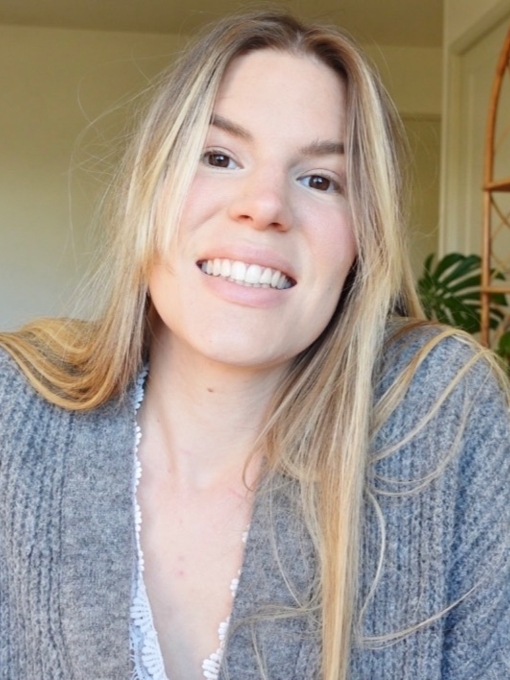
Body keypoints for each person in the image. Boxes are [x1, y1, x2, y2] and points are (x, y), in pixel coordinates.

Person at [0, 11, 509, 680]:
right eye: (218, 157)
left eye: (321, 179)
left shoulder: (441, 418)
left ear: (364, 241)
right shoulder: (14, 412)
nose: (264, 205)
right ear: (148, 191)